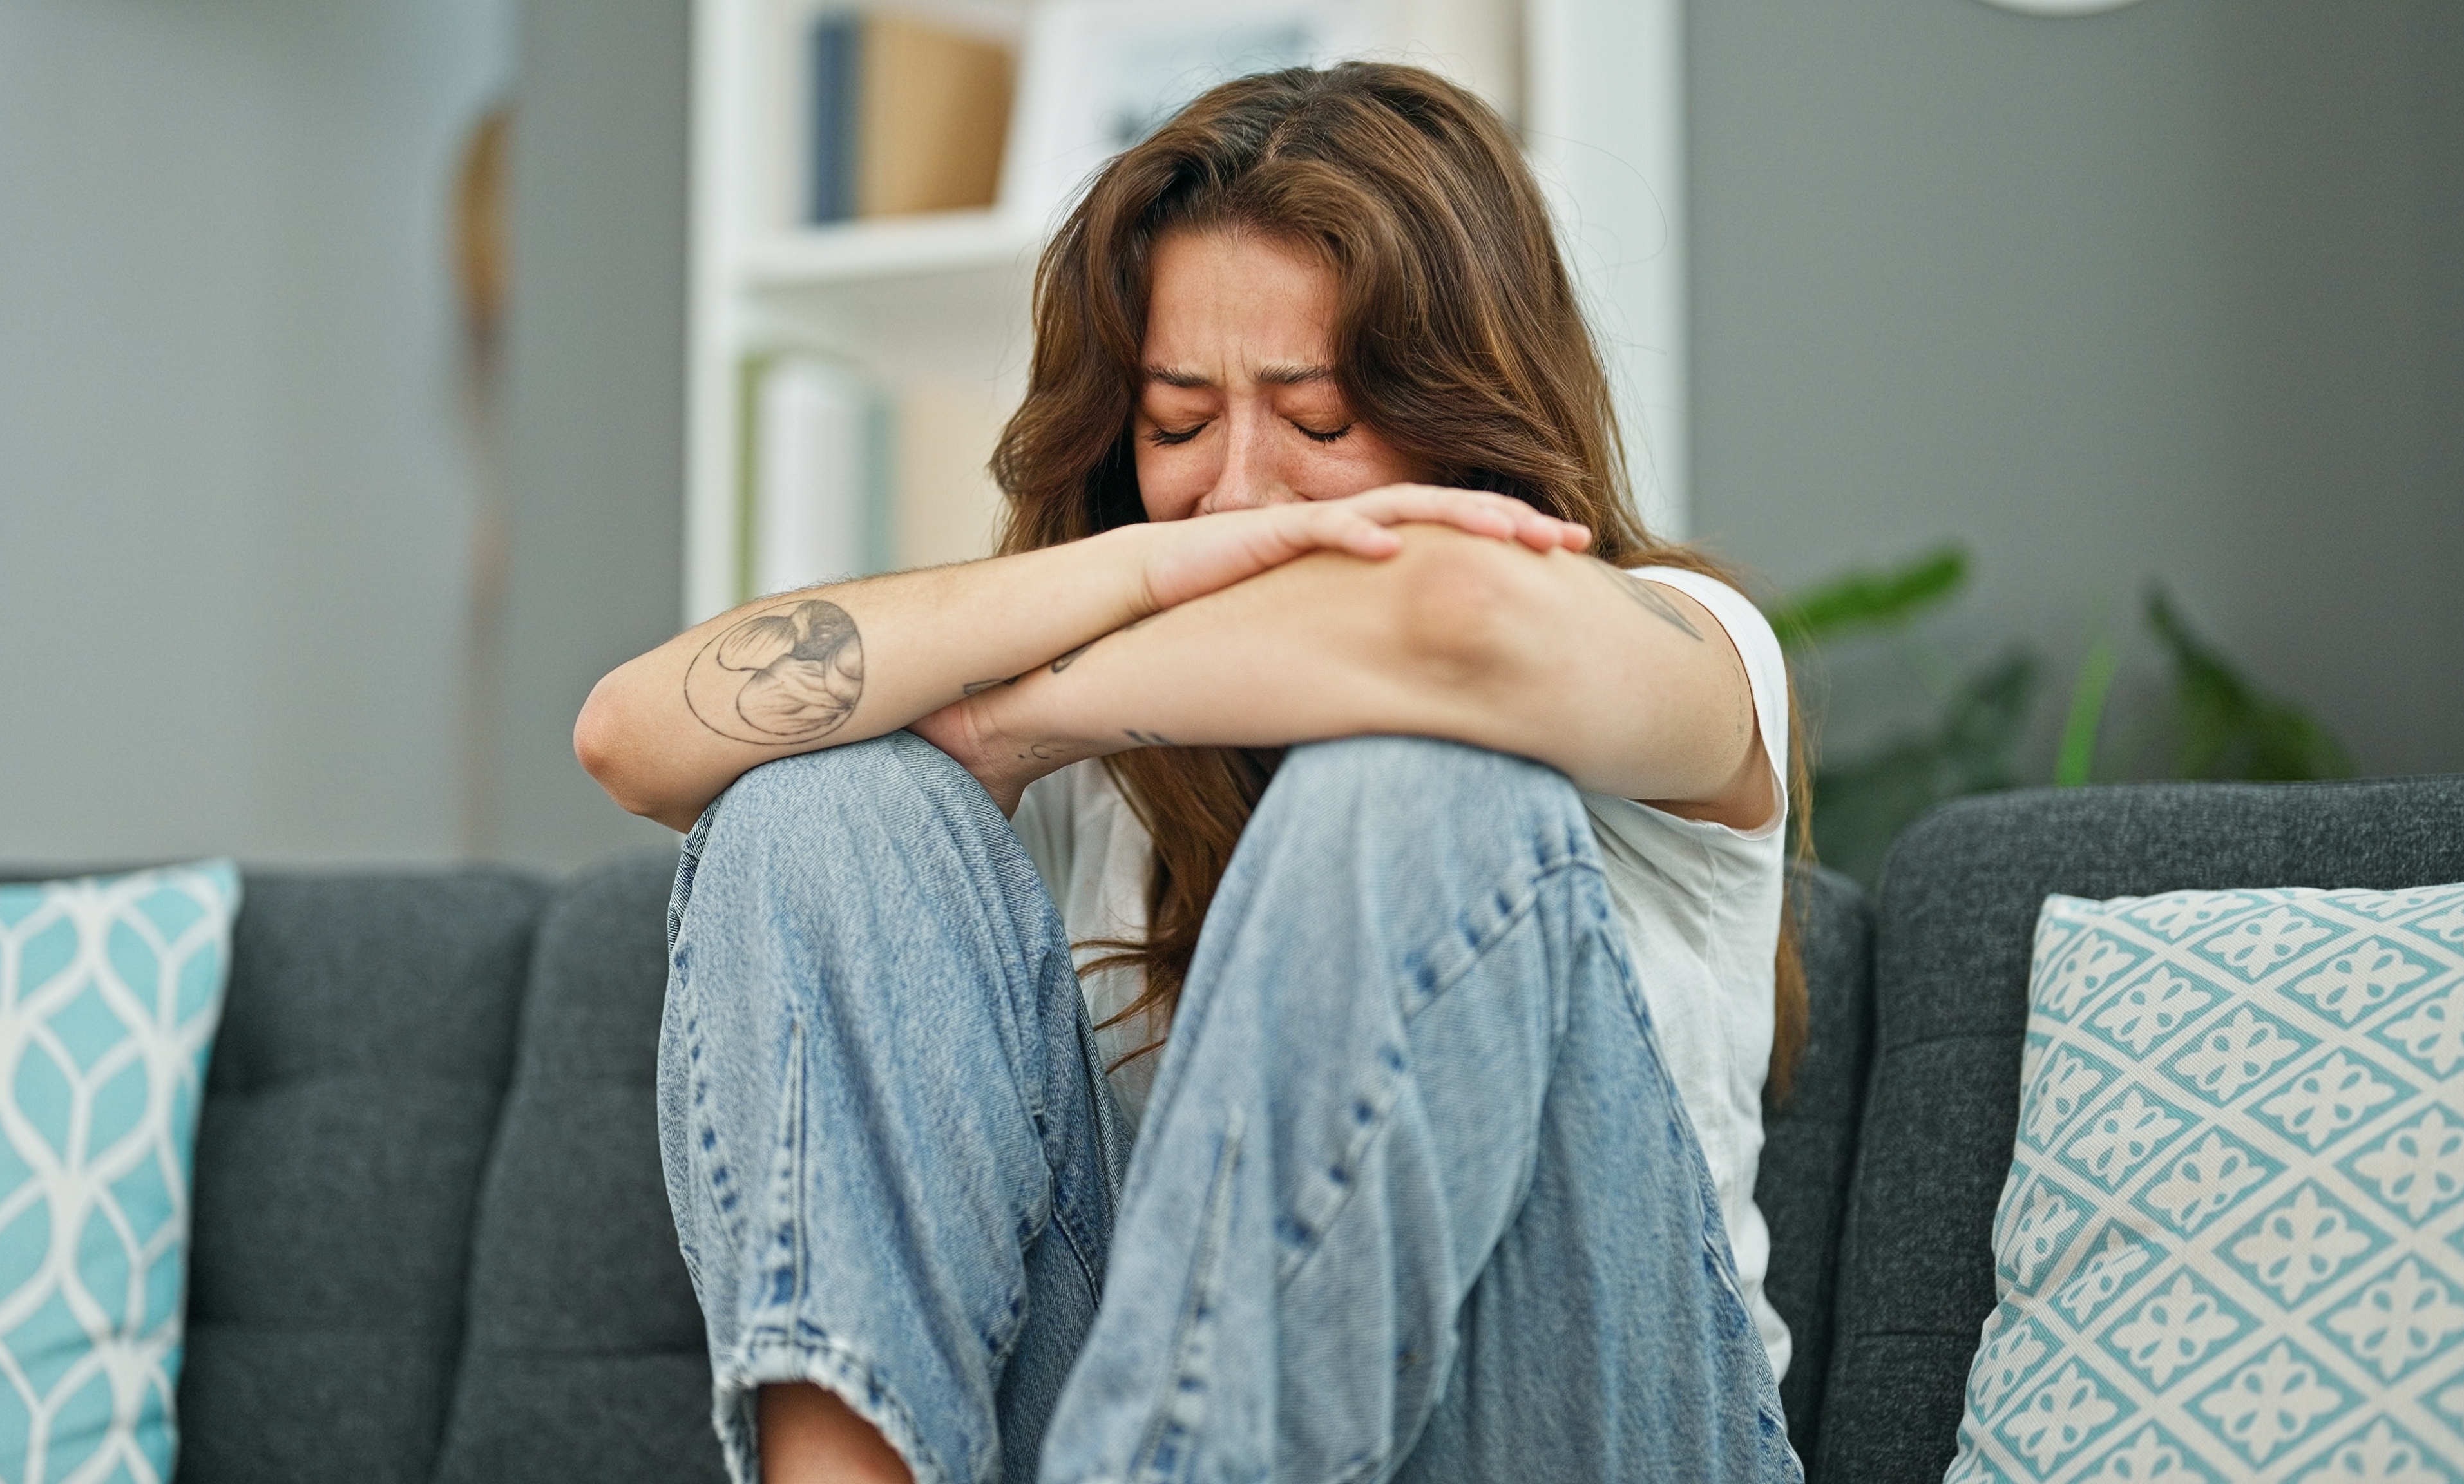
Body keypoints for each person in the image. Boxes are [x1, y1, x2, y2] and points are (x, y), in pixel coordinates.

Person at [577, 62, 1805, 1484]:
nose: (1238, 491)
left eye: (1321, 422)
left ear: (1459, 406)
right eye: (1175, 426)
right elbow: (635, 735)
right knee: (823, 801)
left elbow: (1453, 623)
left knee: (1415, 788)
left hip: (1581, 1426)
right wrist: (1141, 568)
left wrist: (1014, 723)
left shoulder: (1683, 648)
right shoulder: (1119, 731)